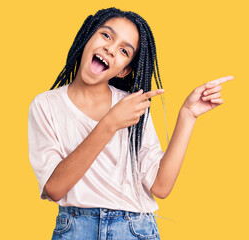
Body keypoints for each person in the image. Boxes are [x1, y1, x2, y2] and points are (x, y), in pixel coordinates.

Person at [28, 7, 233, 240]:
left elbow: (160, 187)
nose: (110, 48)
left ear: (124, 70)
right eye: (106, 35)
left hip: (133, 229)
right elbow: (54, 189)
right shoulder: (45, 105)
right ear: (88, 36)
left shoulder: (132, 107)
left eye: (124, 50)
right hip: (75, 228)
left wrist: (188, 114)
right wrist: (109, 123)